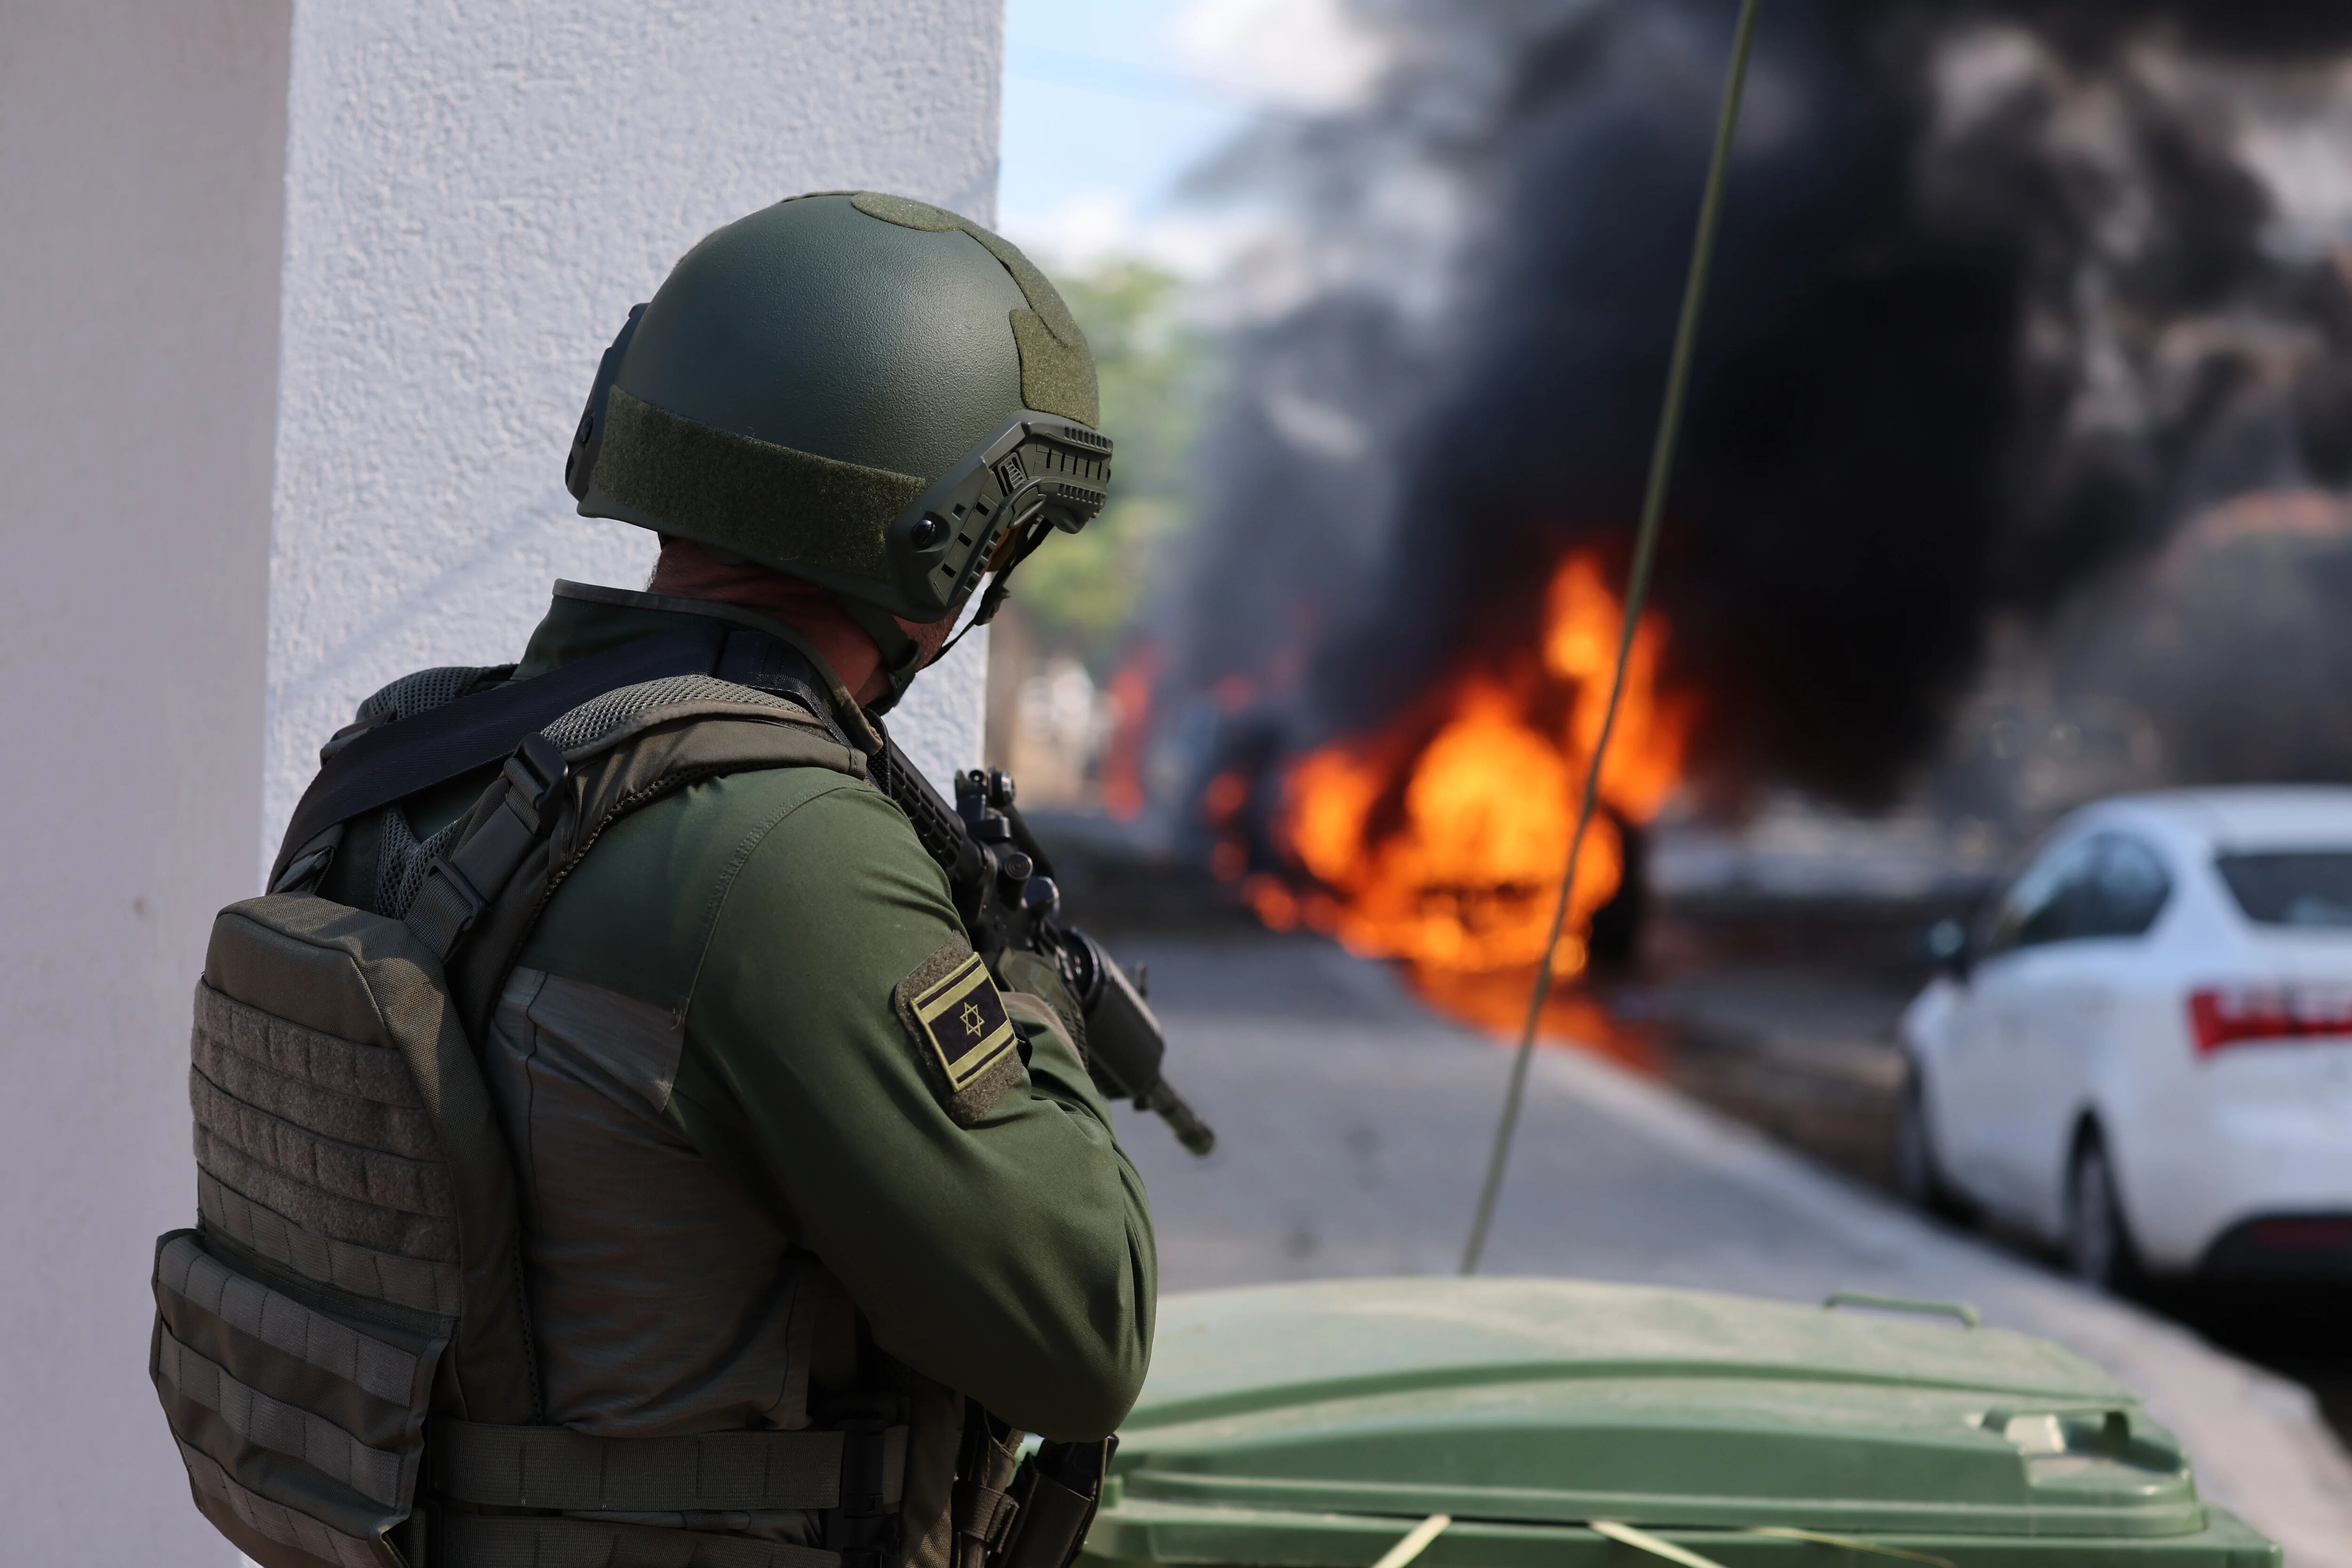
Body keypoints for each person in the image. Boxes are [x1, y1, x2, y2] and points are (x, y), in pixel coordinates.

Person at [258, 191, 1152, 1568]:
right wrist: (1024, 989)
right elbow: (1082, 1330)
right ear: (942, 538)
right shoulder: (783, 853)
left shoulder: (401, 760)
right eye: (998, 541)